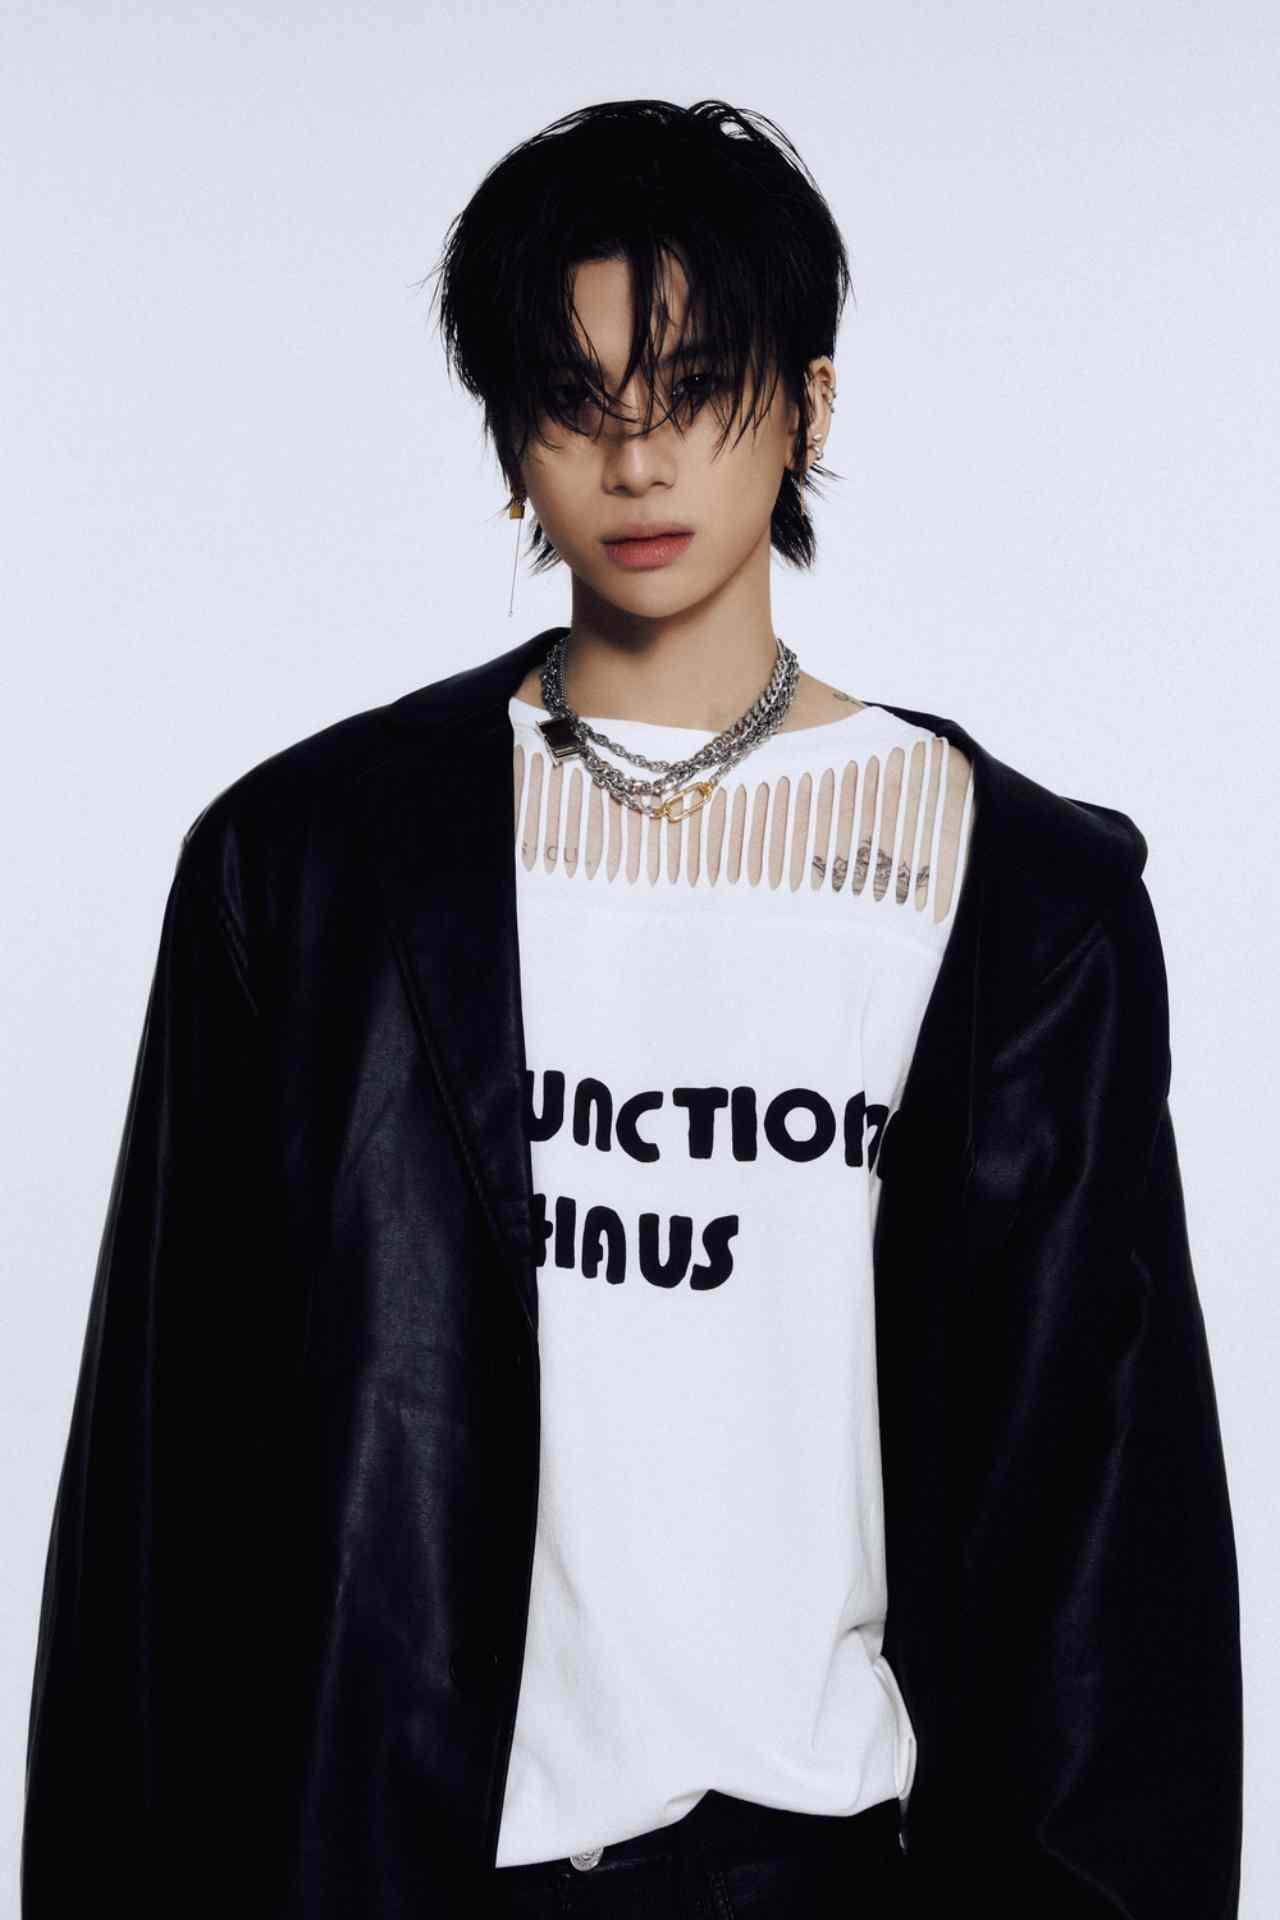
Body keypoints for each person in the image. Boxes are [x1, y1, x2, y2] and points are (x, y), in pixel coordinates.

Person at [21, 98, 1241, 1920]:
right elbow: (162, 1494)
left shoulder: (1015, 899)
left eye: (696, 388)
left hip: (833, 1871)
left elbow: (1107, 1547)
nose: (638, 456)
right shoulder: (311, 870)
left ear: (810, 407)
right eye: (575, 399)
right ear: (509, 439)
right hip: (398, 1869)